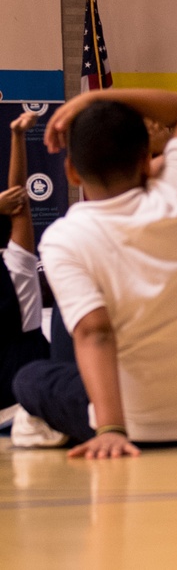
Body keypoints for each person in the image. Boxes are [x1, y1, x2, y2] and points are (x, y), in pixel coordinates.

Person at [13, 89, 177, 458]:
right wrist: (92, 98)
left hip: (141, 431)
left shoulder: (63, 237)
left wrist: (111, 430)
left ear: (72, 172)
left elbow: (95, 333)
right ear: (146, 161)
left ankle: (53, 424)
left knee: (30, 378)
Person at [1, 113, 50, 418]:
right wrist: (17, 136)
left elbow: (18, 199)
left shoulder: (14, 267)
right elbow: (20, 199)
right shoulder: (14, 267)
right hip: (25, 387)